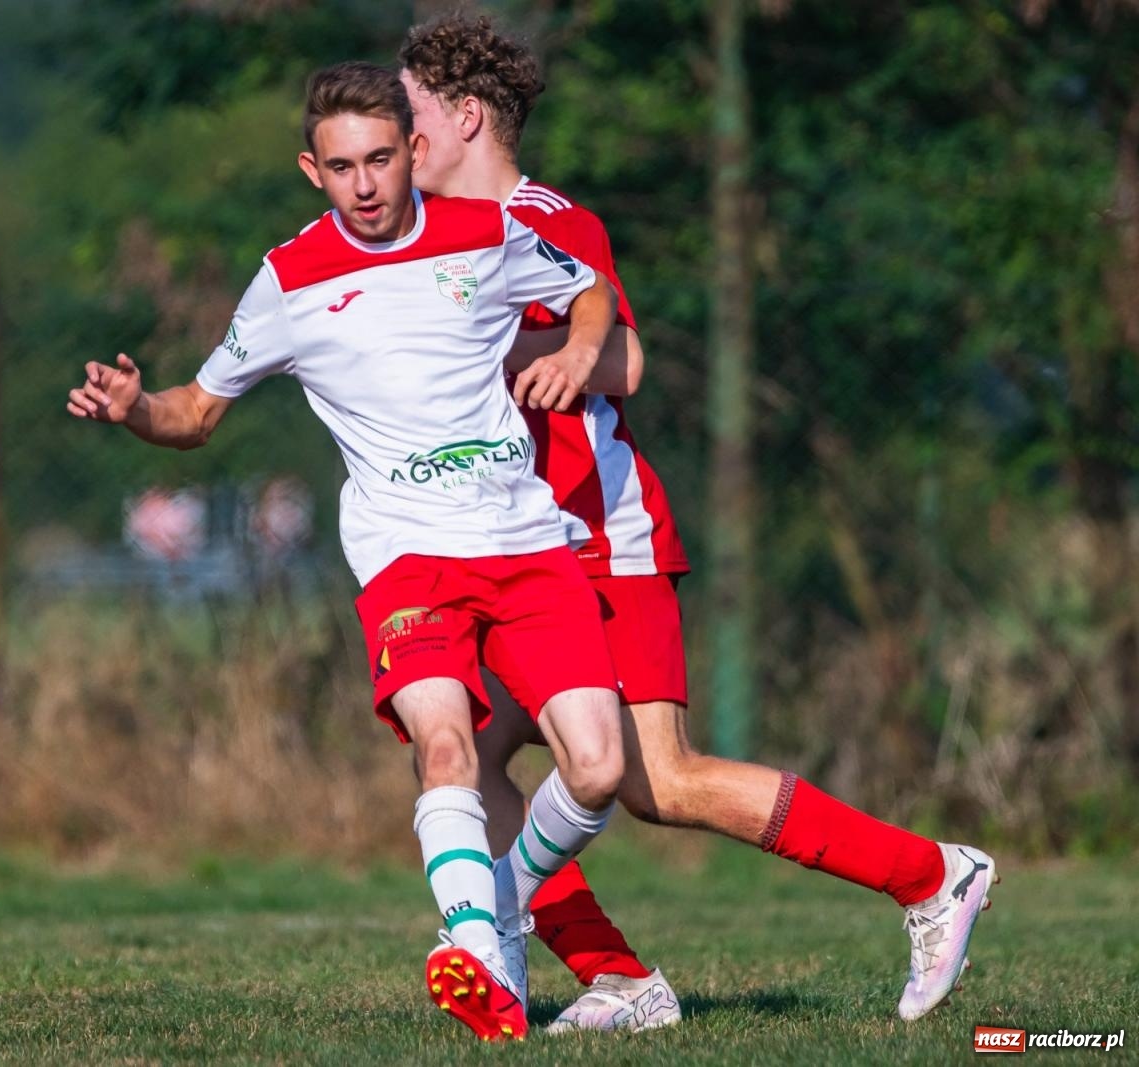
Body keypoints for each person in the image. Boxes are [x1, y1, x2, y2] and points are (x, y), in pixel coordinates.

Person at [397, 12, 998, 1031]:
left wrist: (519, 366)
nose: (397, 142)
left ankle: (929, 872)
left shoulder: (545, 217)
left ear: (465, 117)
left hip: (599, 543)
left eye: (408, 120)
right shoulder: (430, 237)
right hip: (516, 548)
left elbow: (624, 355)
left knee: (659, 780)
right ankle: (616, 978)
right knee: (462, 751)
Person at [69, 61, 633, 1043]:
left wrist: (581, 350)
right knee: (445, 744)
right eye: (341, 167)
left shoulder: (486, 233)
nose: (365, 184)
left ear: (415, 152)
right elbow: (195, 413)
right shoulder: (290, 278)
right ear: (310, 170)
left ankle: (492, 908)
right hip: (406, 558)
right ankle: (483, 958)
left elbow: (586, 290)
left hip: (526, 542)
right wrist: (133, 411)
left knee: (594, 769)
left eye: (380, 159)